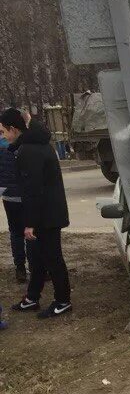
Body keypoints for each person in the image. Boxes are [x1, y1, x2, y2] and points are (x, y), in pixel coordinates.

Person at [0, 108, 72, 319]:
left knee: (52, 258)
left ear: (14, 129)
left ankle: (63, 300)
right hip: (45, 212)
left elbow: (33, 190)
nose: (3, 136)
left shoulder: (29, 151)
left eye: (3, 131)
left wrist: (30, 223)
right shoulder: (33, 143)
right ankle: (32, 297)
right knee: (36, 257)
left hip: (46, 216)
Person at [0, 120, 28, 283]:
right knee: (33, 231)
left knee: (16, 233)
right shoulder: (22, 145)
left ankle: (20, 269)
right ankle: (39, 267)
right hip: (26, 196)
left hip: (9, 197)